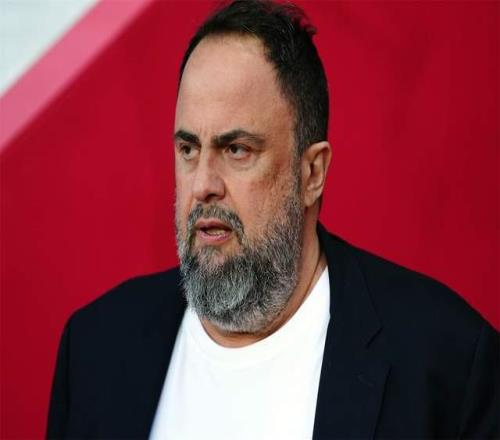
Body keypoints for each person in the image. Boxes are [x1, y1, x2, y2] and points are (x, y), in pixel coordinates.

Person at [47, 1, 499, 438]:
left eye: (236, 150)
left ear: (312, 173)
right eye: (188, 149)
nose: (203, 184)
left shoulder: (447, 364)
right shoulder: (95, 347)